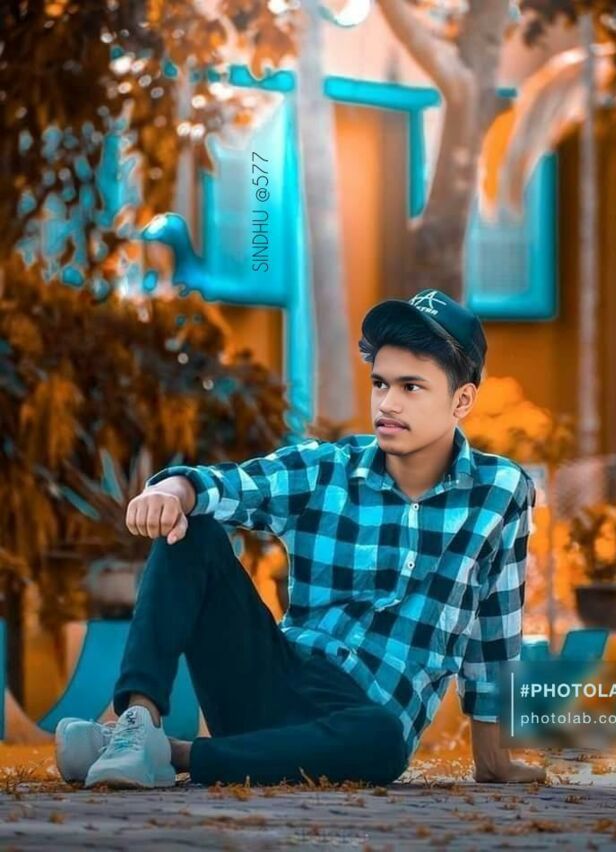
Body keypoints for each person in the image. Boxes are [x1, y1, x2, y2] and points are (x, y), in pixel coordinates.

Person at [55, 289, 547, 789]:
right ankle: (137, 727)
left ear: (462, 399)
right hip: (276, 675)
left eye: (411, 387)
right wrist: (172, 491)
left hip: (359, 723)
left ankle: (173, 754)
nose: (387, 403)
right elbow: (230, 485)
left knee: (384, 741)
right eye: (380, 383)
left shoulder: (499, 492)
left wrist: (493, 760)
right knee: (192, 527)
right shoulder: (328, 468)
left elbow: (494, 631)